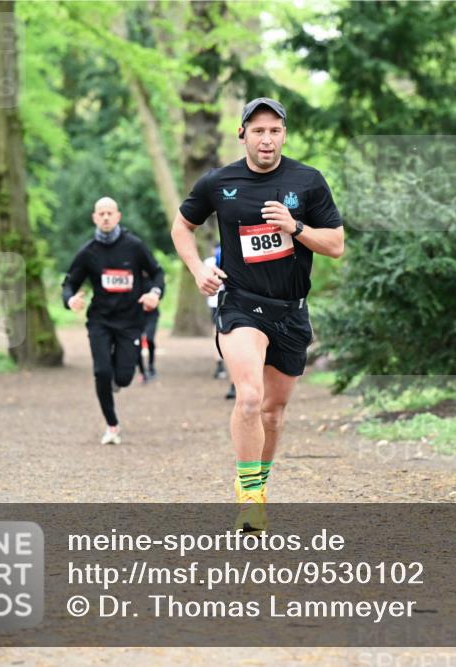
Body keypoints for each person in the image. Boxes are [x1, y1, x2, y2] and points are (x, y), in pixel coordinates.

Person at [171, 97, 344, 531]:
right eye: (258, 130)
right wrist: (198, 270)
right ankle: (248, 499)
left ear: (284, 134)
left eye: (274, 130)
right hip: (240, 304)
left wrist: (296, 227)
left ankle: (259, 487)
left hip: (291, 312)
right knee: (248, 397)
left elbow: (336, 245)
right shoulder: (218, 181)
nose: (266, 139)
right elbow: (181, 226)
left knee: (272, 412)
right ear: (242, 134)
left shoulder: (308, 181)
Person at [62, 197, 165, 445]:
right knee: (102, 371)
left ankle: (117, 382)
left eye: (110, 213)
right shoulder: (88, 252)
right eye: (101, 213)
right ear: (94, 218)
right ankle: (112, 425)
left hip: (130, 321)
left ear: (118, 216)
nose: (106, 217)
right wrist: (70, 299)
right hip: (100, 320)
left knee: (123, 378)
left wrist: (154, 293)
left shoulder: (134, 246)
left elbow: (157, 272)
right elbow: (70, 282)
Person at [205, 243, 235, 399]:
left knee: (219, 334)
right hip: (231, 302)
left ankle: (221, 367)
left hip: (217, 302)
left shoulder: (211, 260)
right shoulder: (230, 254)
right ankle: (233, 382)